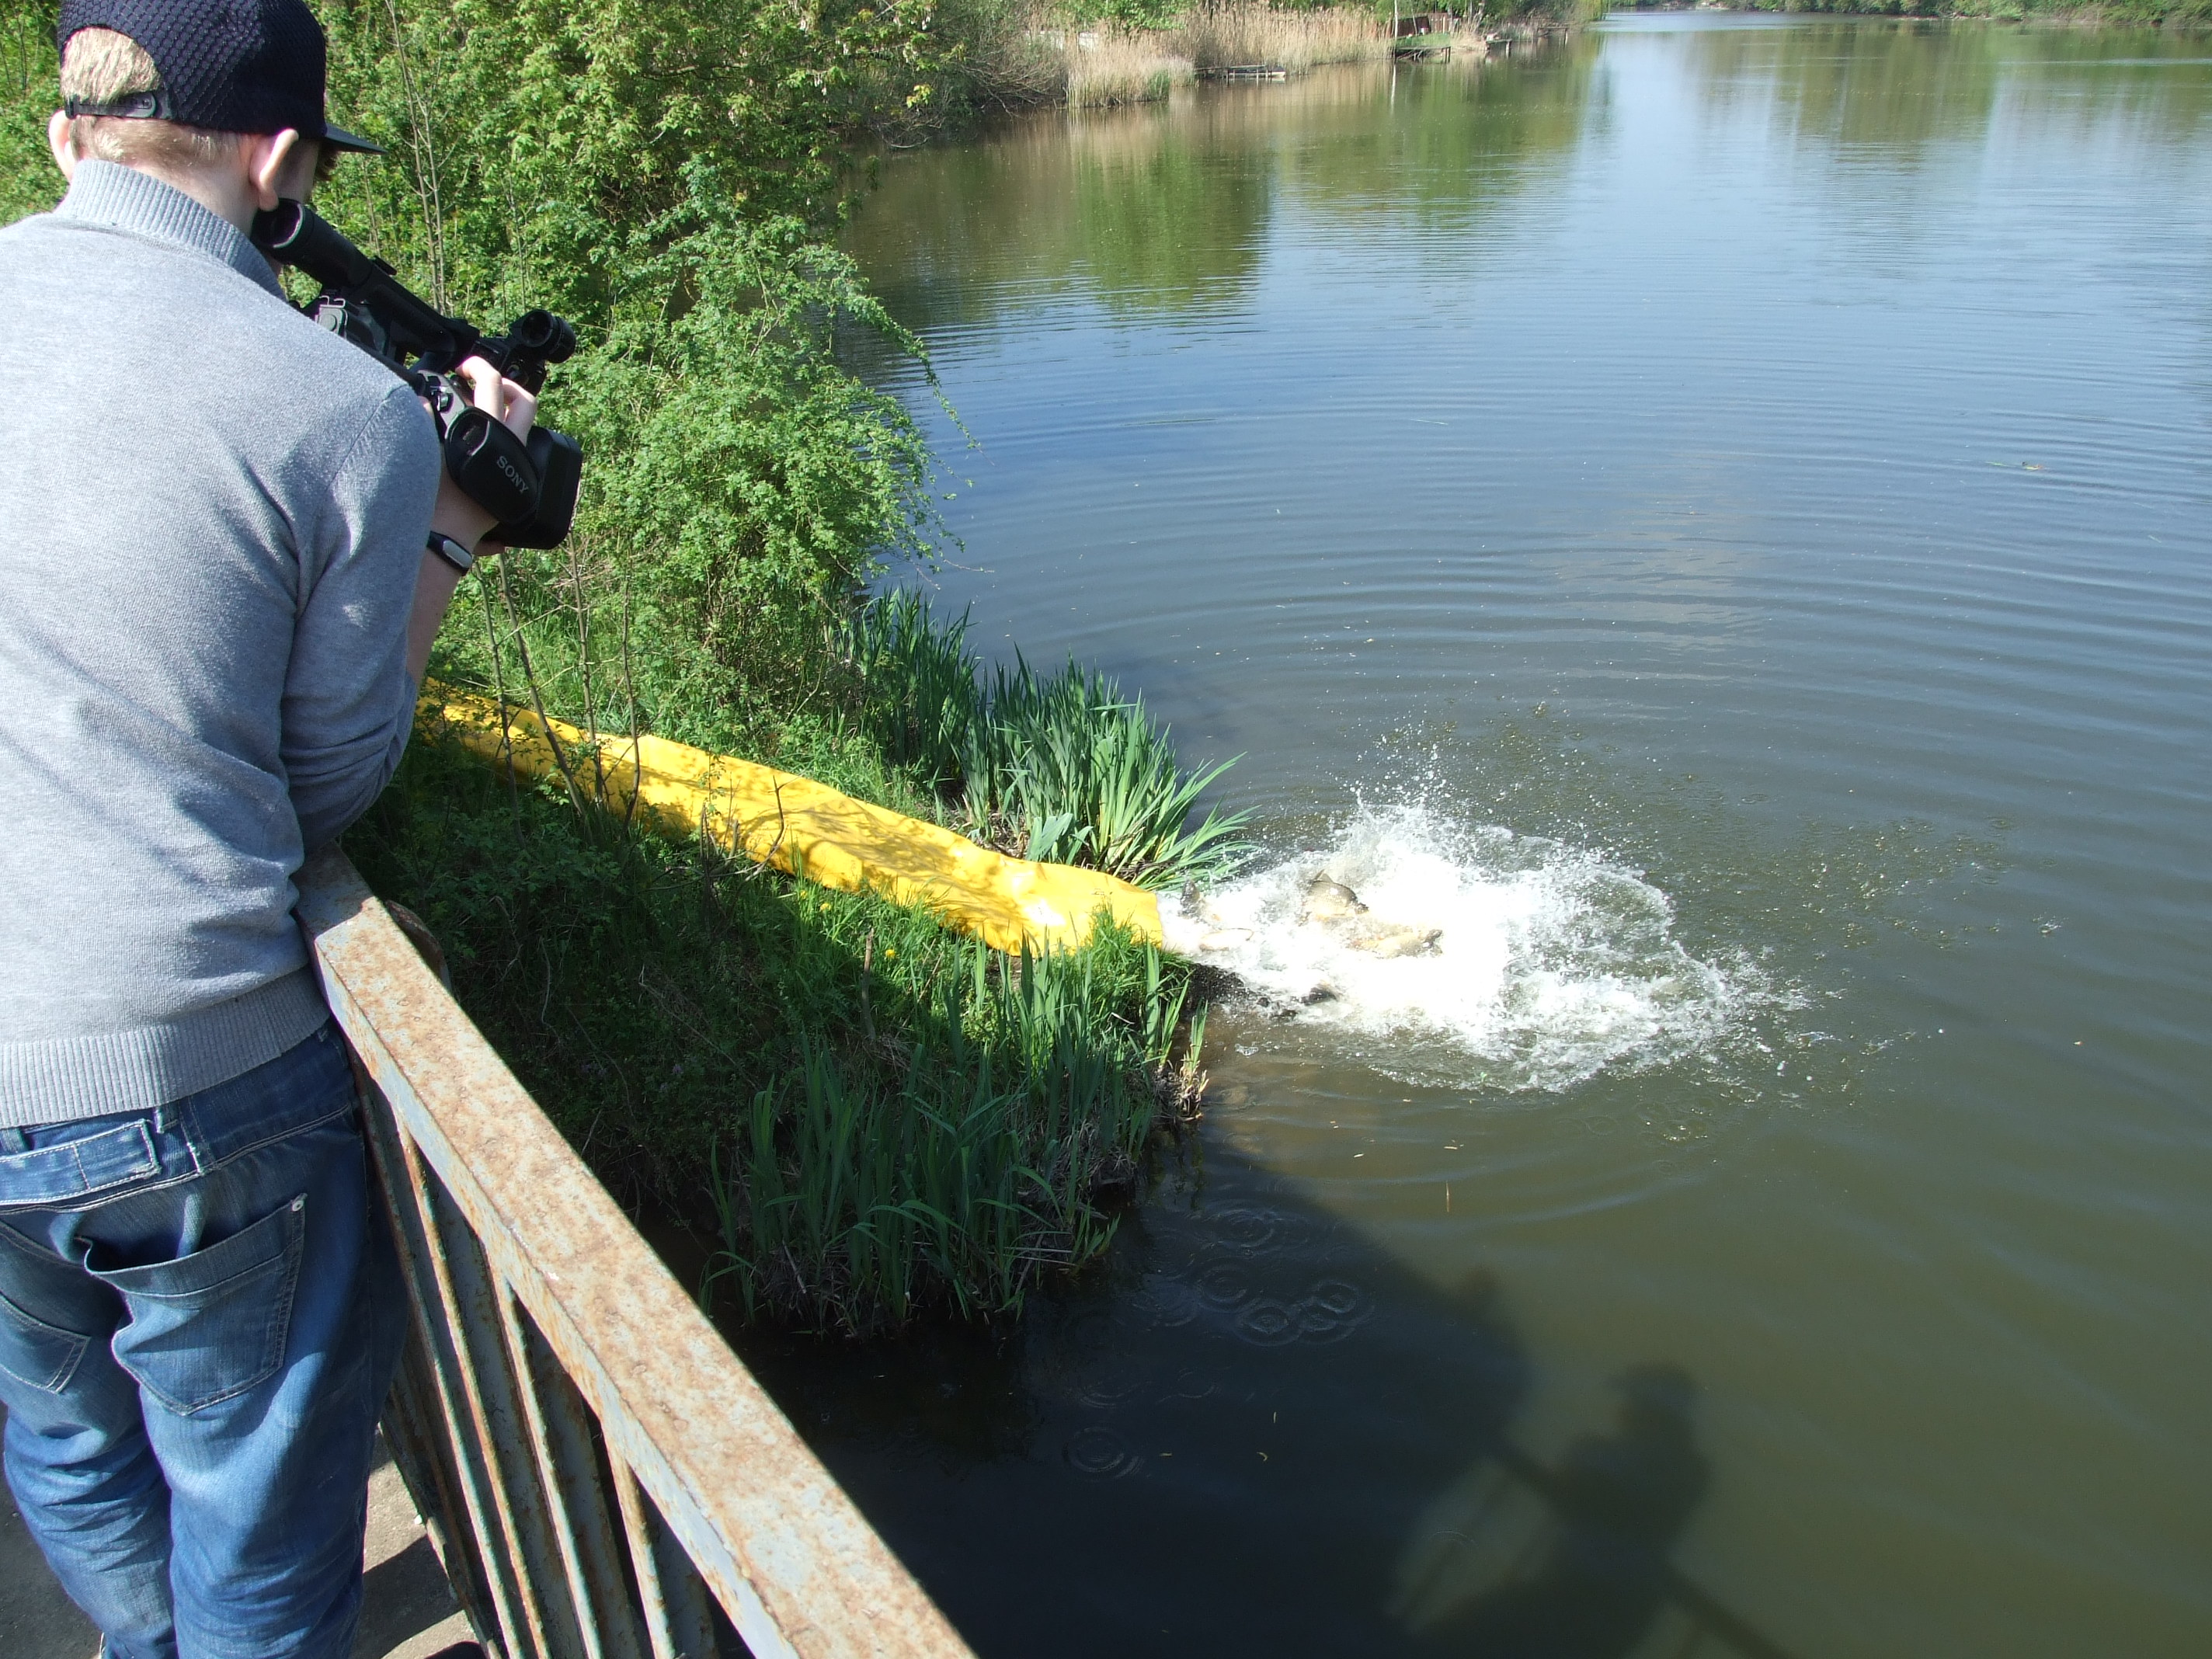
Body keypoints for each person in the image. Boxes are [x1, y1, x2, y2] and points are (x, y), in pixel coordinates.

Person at [0, 0, 531, 1653]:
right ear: (282, 159)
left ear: (61, 131)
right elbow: (324, 781)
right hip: (181, 1063)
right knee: (255, 1495)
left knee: (65, 1437)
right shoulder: (336, 408)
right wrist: (451, 519)